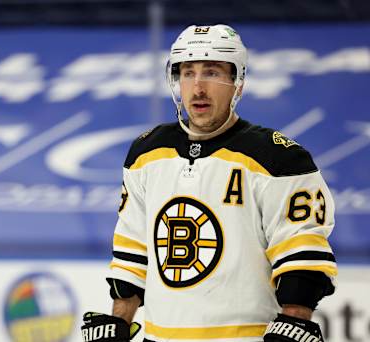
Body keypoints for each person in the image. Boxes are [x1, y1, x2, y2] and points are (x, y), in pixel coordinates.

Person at [81, 24, 337, 342]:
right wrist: (119, 320)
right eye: (187, 73)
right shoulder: (146, 153)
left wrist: (296, 318)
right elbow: (133, 249)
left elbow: (302, 254)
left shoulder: (278, 158)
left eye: (212, 72)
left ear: (237, 83)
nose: (198, 87)